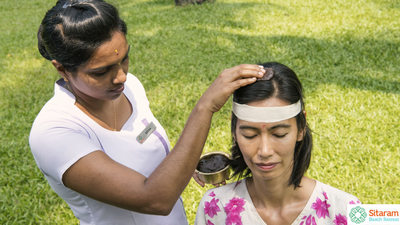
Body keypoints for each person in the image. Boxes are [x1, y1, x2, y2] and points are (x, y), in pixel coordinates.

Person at [29, 0, 267, 224]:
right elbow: (155, 199)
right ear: (61, 69)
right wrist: (205, 107)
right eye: (101, 72)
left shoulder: (130, 87)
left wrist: (183, 167)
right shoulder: (54, 133)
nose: (121, 76)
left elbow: (144, 147)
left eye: (124, 58)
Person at [195, 62, 361, 225]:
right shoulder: (215, 208)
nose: (265, 151)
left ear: (301, 128)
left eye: (279, 134)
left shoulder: (345, 211)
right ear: (234, 131)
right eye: (250, 135)